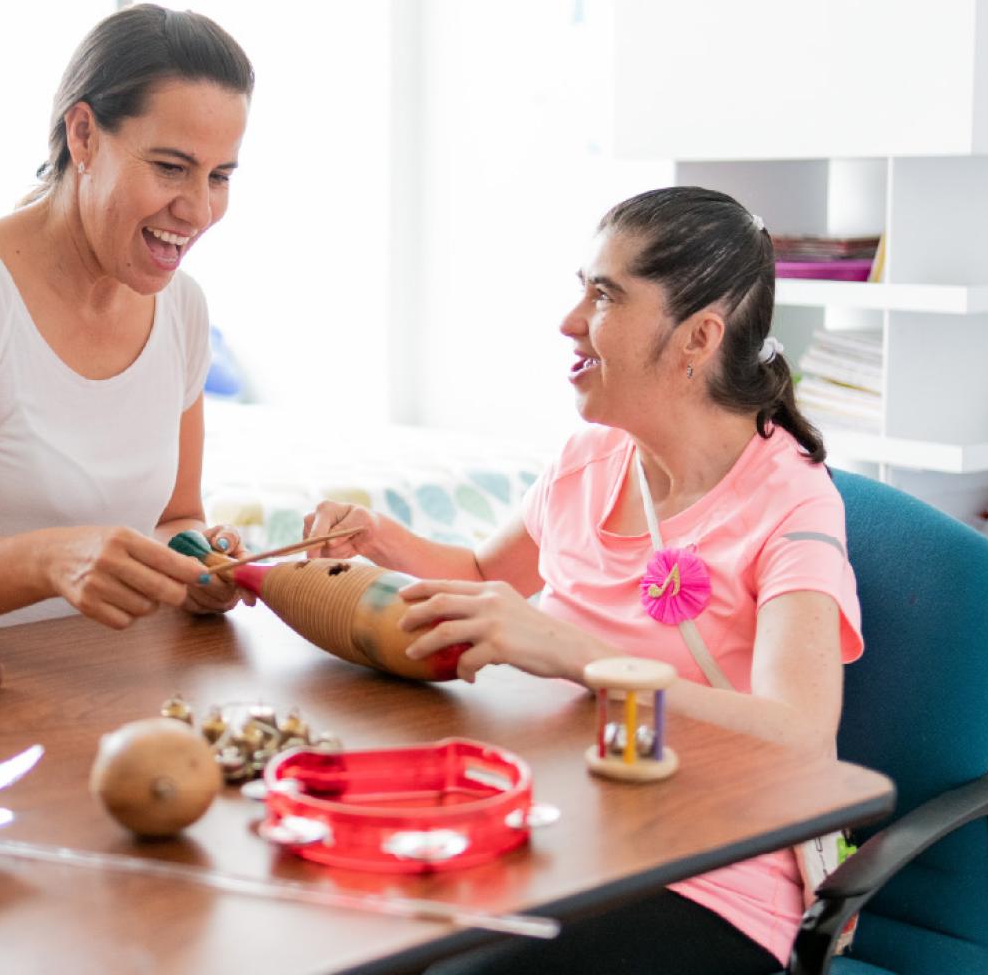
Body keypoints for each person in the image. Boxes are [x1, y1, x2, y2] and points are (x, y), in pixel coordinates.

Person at [303, 186, 863, 973]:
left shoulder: (793, 502)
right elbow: (479, 576)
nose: (571, 321)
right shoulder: (589, 460)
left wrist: (574, 655)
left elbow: (799, 734)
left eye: (605, 295)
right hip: (565, 827)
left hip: (709, 877)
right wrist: (380, 538)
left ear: (698, 337)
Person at [0, 4, 255, 633]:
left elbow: (176, 518)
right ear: (84, 135)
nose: (198, 209)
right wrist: (49, 559)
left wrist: (198, 564)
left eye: (220, 176)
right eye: (171, 167)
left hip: (114, 681)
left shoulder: (183, 310)